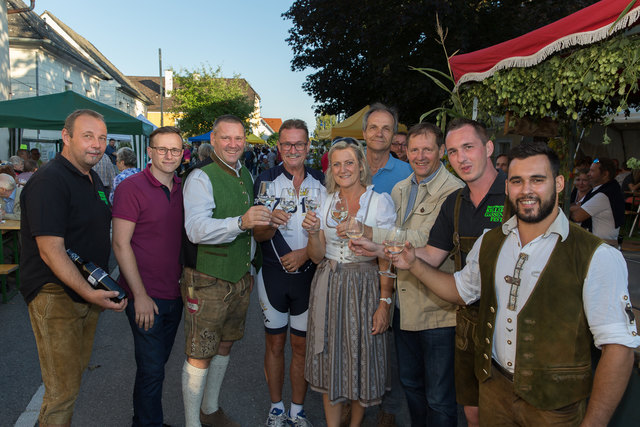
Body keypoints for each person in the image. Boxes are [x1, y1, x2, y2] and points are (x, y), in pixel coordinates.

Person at [392, 141, 639, 426]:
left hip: (554, 407)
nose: (527, 190)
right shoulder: (491, 241)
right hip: (494, 393)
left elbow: (619, 350)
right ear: (507, 188)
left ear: (559, 183)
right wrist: (413, 264)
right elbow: (460, 291)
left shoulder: (597, 255)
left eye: (538, 179)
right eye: (517, 181)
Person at [352, 117, 507, 427]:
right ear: (405, 152)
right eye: (414, 149)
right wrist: (380, 252)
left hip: (445, 310)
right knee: (417, 388)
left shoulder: (457, 191)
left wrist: (372, 234)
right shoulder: (407, 190)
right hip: (412, 305)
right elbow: (424, 253)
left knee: (449, 398)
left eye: (429, 149)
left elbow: (420, 242)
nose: (420, 156)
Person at [20, 109, 127, 426]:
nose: (97, 144)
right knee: (61, 391)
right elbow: (50, 250)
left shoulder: (90, 177)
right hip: (56, 294)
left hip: (83, 292)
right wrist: (88, 293)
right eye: (88, 136)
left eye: (102, 138)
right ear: (66, 137)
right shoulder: (49, 181)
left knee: (69, 383)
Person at [181, 115, 272, 427]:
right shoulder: (200, 177)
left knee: (225, 343)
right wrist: (240, 223)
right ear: (214, 141)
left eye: (239, 139)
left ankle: (210, 409)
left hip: (239, 276)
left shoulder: (244, 172)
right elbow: (195, 229)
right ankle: (193, 422)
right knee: (200, 349)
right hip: (208, 277)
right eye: (226, 138)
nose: (234, 144)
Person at [302, 139, 396, 427]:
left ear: (361, 166)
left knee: (360, 359)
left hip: (365, 286)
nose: (344, 169)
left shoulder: (379, 202)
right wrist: (314, 233)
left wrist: (384, 302)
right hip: (328, 284)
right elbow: (317, 257)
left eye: (350, 162)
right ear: (331, 169)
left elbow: (388, 257)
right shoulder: (325, 200)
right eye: (338, 164)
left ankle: (354, 424)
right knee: (330, 357)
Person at [253, 119, 326, 427]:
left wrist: (303, 254)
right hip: (273, 275)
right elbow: (257, 235)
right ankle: (275, 408)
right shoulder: (266, 180)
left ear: (308, 147)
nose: (293, 150)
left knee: (301, 346)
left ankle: (297, 410)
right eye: (287, 144)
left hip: (309, 274)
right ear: (278, 147)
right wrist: (270, 223)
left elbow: (328, 233)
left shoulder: (322, 181)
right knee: (274, 344)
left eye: (299, 144)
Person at [112, 126, 184, 427]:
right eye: (162, 149)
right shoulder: (132, 187)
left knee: (156, 365)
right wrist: (138, 295)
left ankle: (145, 418)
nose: (169, 155)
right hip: (145, 295)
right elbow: (120, 243)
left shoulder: (183, 187)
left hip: (175, 293)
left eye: (175, 150)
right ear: (150, 152)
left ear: (182, 154)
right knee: (152, 368)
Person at [570, 157, 625, 242]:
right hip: (594, 242)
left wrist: (568, 209)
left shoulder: (604, 194)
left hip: (599, 245)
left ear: (605, 174)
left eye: (592, 171)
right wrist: (578, 208)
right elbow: (580, 206)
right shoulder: (602, 189)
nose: (588, 174)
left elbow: (577, 216)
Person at [363, 103, 413, 195]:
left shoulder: (409, 174)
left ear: (394, 136)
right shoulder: (349, 170)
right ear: (364, 134)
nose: (379, 134)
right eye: (373, 127)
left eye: (386, 129)